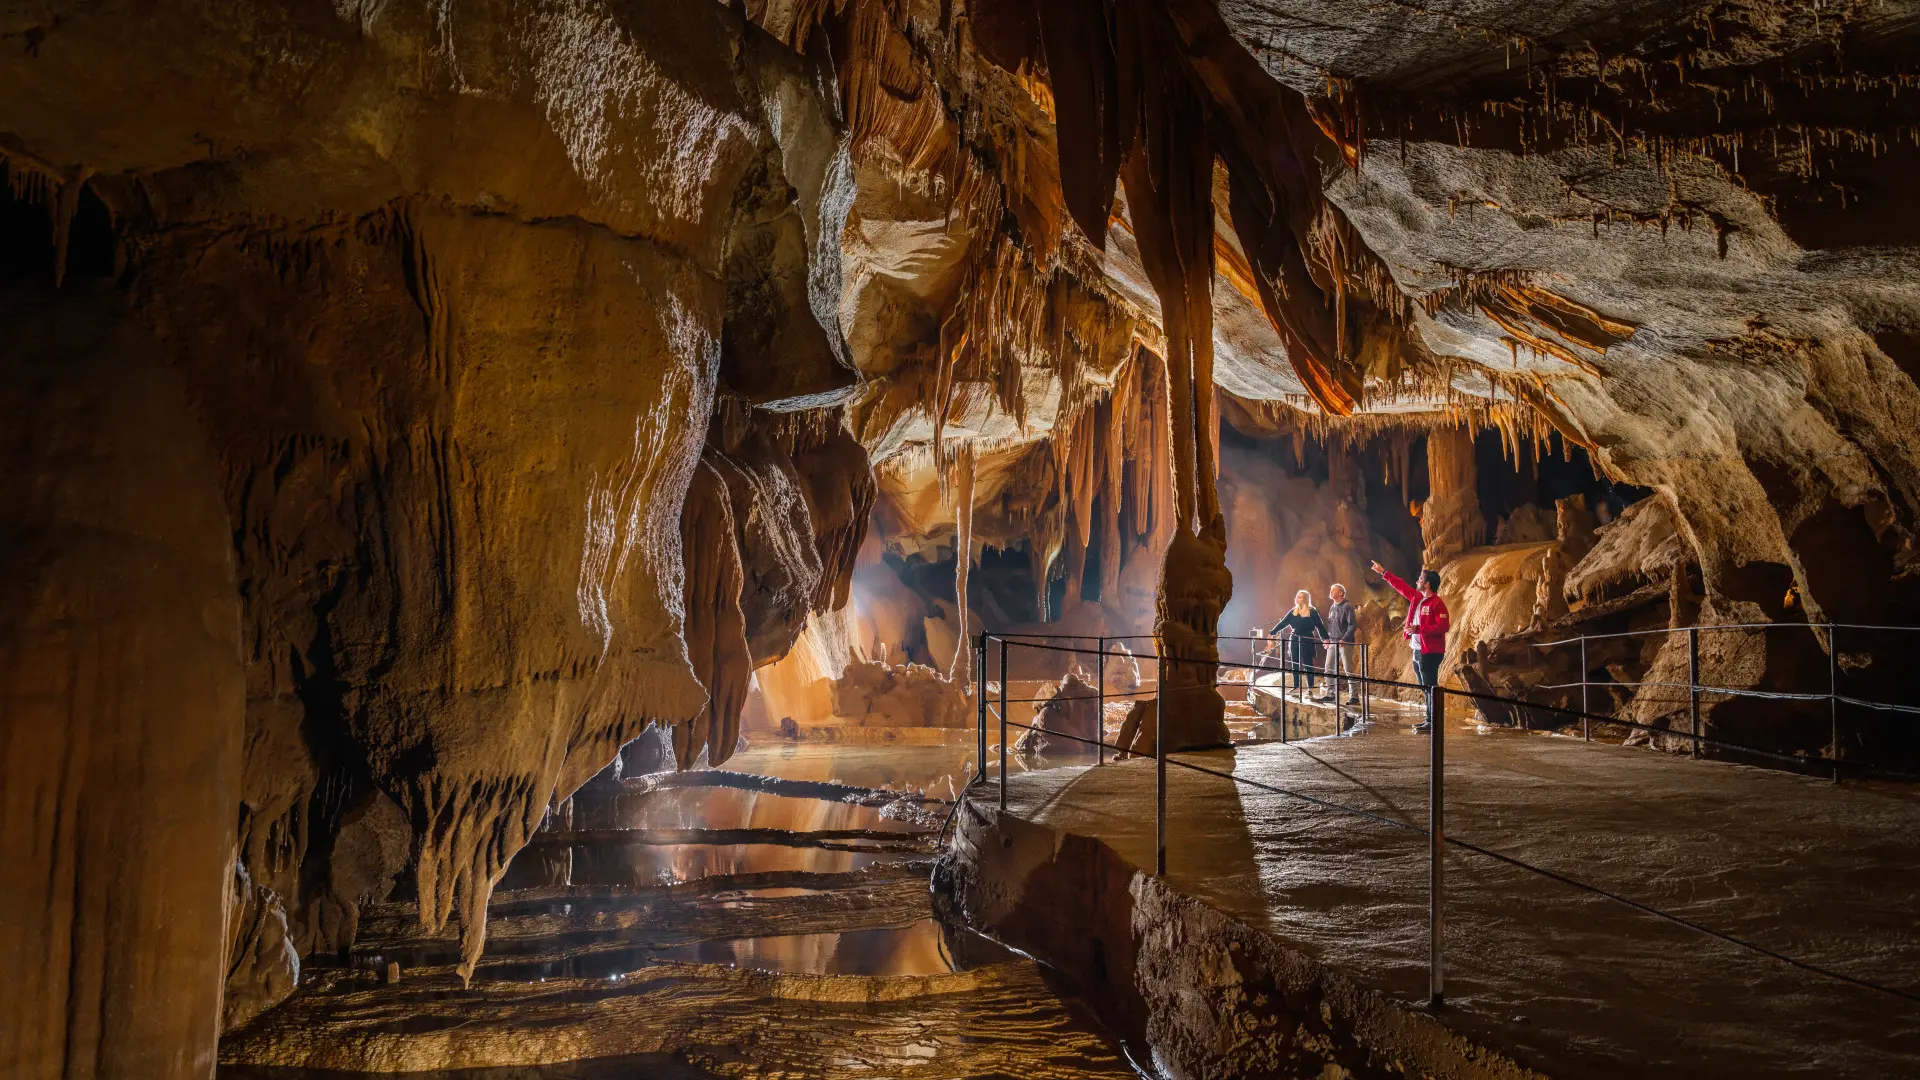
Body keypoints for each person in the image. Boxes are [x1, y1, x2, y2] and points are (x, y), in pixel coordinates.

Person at [1370, 560, 1450, 734]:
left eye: (1420, 579)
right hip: (1418, 650)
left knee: (1430, 687)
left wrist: (1419, 629)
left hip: (1431, 652)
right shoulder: (1417, 598)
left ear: (1427, 584)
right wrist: (1384, 572)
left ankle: (1433, 721)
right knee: (1425, 687)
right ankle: (1429, 719)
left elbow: (1443, 626)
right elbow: (1401, 586)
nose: (1417, 581)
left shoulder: (1437, 603)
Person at [1269, 590, 1326, 694]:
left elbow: (1320, 626)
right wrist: (1272, 632)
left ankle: (1310, 688)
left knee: (1308, 664)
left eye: (1299, 597)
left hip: (1307, 639)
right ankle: (1296, 686)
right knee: (1295, 663)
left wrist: (1325, 638)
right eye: (1297, 596)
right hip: (1294, 639)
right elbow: (1283, 623)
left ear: (1305, 599)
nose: (1297, 598)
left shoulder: (1312, 611)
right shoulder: (1293, 611)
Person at [1314, 583, 1359, 706]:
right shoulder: (1332, 607)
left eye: (1333, 590)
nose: (1331, 591)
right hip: (1333, 642)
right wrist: (1327, 639)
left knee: (1348, 669)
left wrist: (1344, 639)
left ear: (1341, 593)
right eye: (1331, 589)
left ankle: (1354, 697)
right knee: (1328, 668)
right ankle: (1330, 694)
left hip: (1345, 643)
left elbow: (1352, 625)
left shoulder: (1348, 606)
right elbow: (1331, 625)